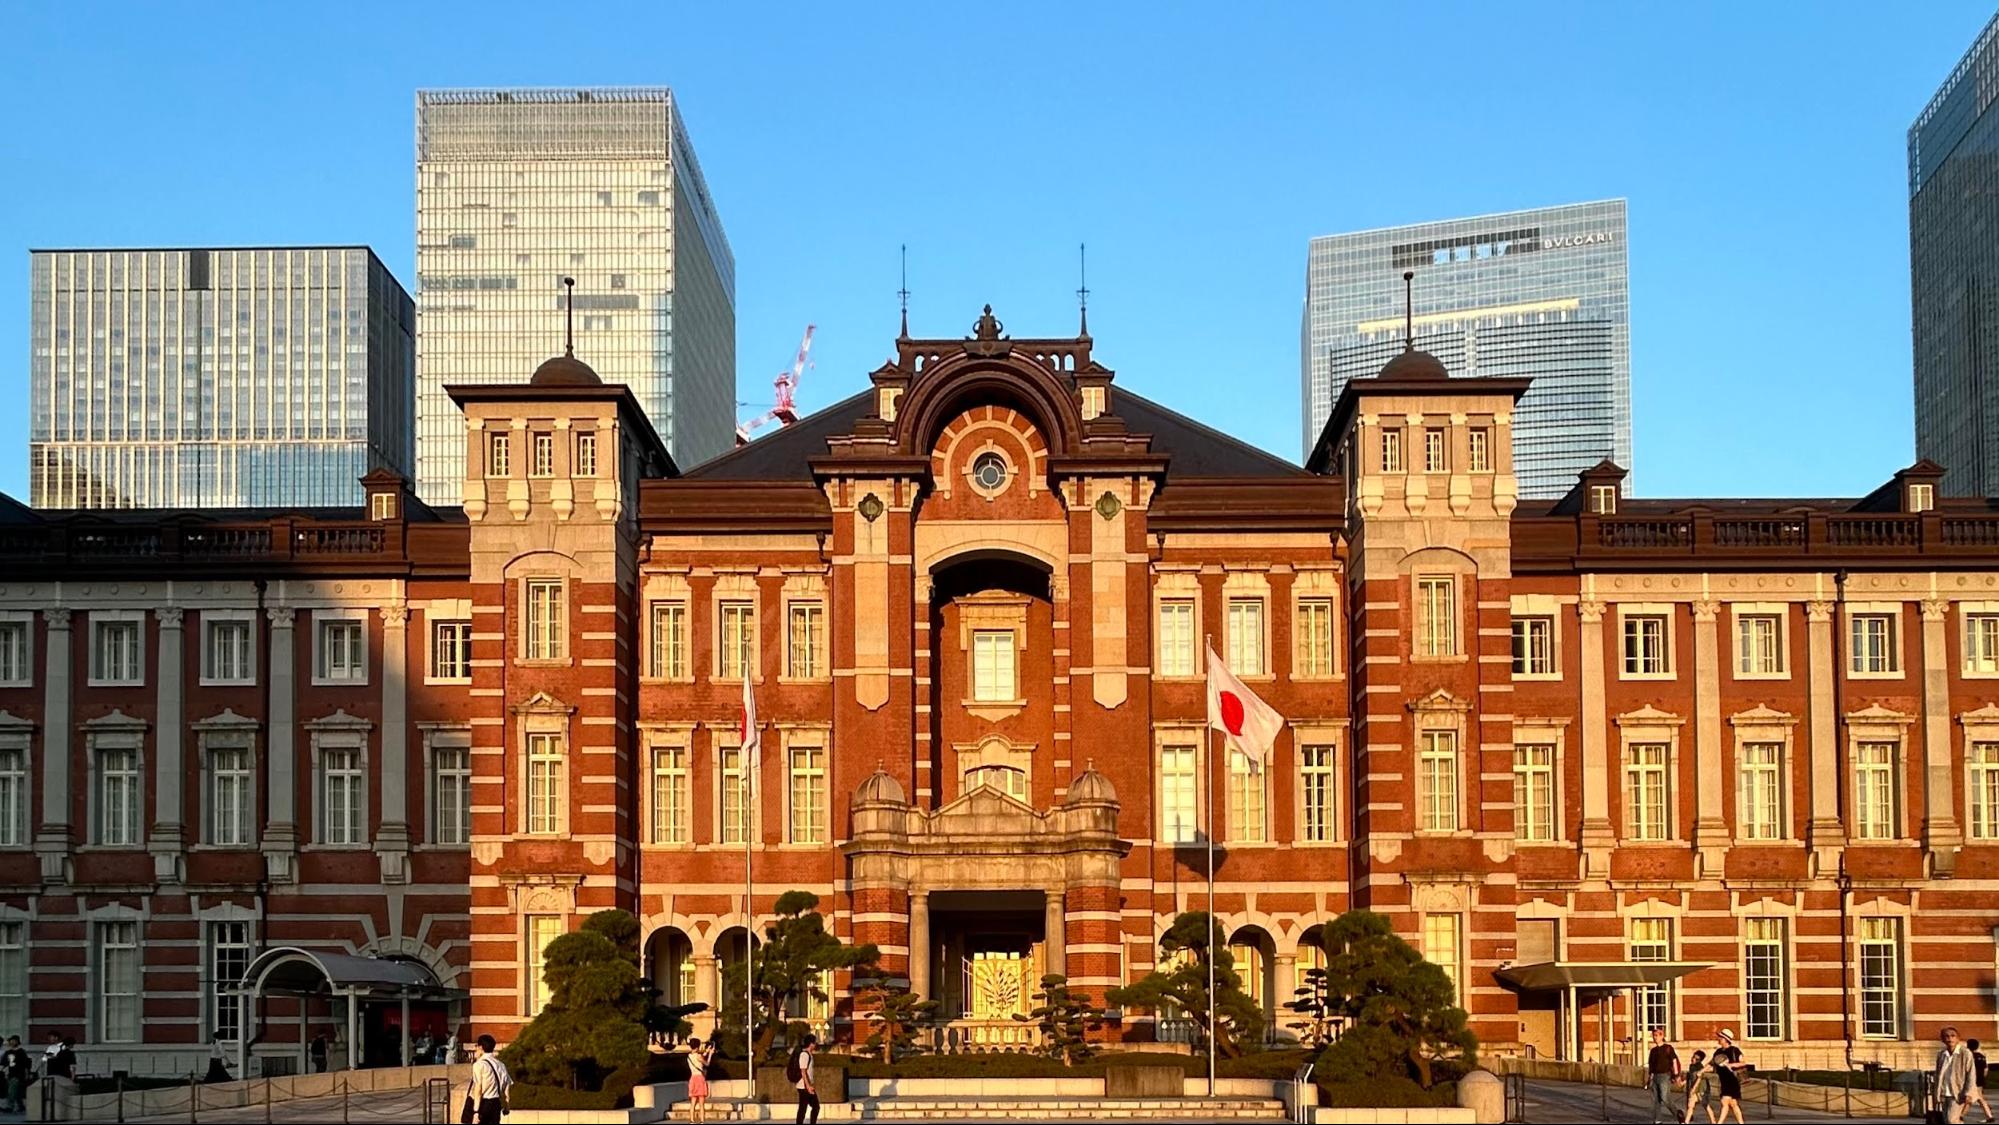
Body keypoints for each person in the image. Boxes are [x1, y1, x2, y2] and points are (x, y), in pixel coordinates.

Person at [462, 1034, 512, 1125]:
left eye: (476, 1046)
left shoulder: (479, 1065)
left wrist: (476, 1112)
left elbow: (478, 1089)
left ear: (481, 1047)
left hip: (483, 1104)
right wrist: (507, 1106)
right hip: (496, 1104)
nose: (476, 1049)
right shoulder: (501, 1065)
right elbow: (507, 1087)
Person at [1939, 1026, 1978, 1124]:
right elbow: (1938, 1075)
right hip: (1944, 1092)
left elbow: (1971, 1074)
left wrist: (1968, 1092)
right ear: (1943, 1039)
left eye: (1953, 1036)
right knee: (1947, 1120)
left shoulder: (1965, 1053)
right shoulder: (1941, 1054)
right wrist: (1937, 1093)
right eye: (1946, 1036)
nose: (1950, 1039)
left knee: (1951, 1120)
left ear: (1958, 1039)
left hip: (1958, 1092)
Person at [1646, 1028, 1682, 1124]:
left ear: (1662, 1036)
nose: (1655, 1038)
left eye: (1657, 1035)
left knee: (1665, 1098)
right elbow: (1651, 1065)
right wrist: (1649, 1078)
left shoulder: (1668, 1048)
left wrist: (1676, 1075)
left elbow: (1674, 1061)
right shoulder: (1653, 1051)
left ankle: (1678, 1115)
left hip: (1665, 1075)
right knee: (1656, 1099)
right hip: (1655, 1076)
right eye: (1654, 1036)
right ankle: (1657, 1120)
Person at [1711, 1030, 1746, 1125]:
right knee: (1733, 1104)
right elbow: (1712, 1063)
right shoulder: (1718, 1052)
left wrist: (1731, 1065)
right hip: (1723, 1080)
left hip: (1732, 1079)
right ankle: (1741, 1122)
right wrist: (1701, 1071)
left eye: (1720, 1037)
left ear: (1726, 1039)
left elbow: (1743, 1063)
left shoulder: (1734, 1050)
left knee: (1724, 1101)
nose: (1718, 1039)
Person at [790, 1033, 819, 1125]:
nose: (815, 1045)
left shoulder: (809, 1054)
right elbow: (803, 1071)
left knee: (814, 1106)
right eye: (814, 1043)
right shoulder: (804, 1055)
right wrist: (808, 1086)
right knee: (804, 1108)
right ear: (811, 1044)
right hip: (803, 1087)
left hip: (806, 1086)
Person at [1682, 1049, 1717, 1125]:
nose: (1693, 1059)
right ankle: (1686, 1122)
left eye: (1696, 1059)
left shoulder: (1698, 1066)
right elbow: (1690, 1077)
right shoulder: (1692, 1066)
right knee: (1691, 1104)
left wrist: (1693, 1089)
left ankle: (1713, 1121)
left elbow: (1699, 1078)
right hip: (1696, 1087)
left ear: (1700, 1060)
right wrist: (1683, 1083)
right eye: (1693, 1057)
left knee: (1705, 1104)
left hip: (1701, 1087)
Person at [1, 1035, 33, 1114]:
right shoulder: (8, 1052)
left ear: (17, 1042)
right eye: (11, 1041)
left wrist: (27, 1073)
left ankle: (10, 1106)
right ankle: (21, 1105)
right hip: (10, 1073)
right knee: (17, 1091)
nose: (12, 1042)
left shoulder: (21, 1052)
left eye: (14, 1040)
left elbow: (26, 1064)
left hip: (19, 1074)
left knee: (11, 1090)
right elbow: (3, 1063)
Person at [685, 1036, 714, 1124]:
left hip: (692, 1079)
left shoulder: (689, 1056)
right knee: (701, 1103)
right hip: (700, 1079)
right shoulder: (699, 1056)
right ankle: (702, 1121)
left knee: (693, 1102)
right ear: (697, 1046)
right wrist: (710, 1054)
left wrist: (706, 1051)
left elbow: (698, 1059)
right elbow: (707, 1063)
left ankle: (692, 1120)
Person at [1970, 1038, 1993, 1124]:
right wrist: (1983, 1078)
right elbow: (1986, 1069)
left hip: (1973, 1080)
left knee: (1973, 1098)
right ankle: (1989, 1114)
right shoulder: (1982, 1056)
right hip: (1980, 1079)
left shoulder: (1970, 1056)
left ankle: (1960, 1116)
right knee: (1979, 1097)